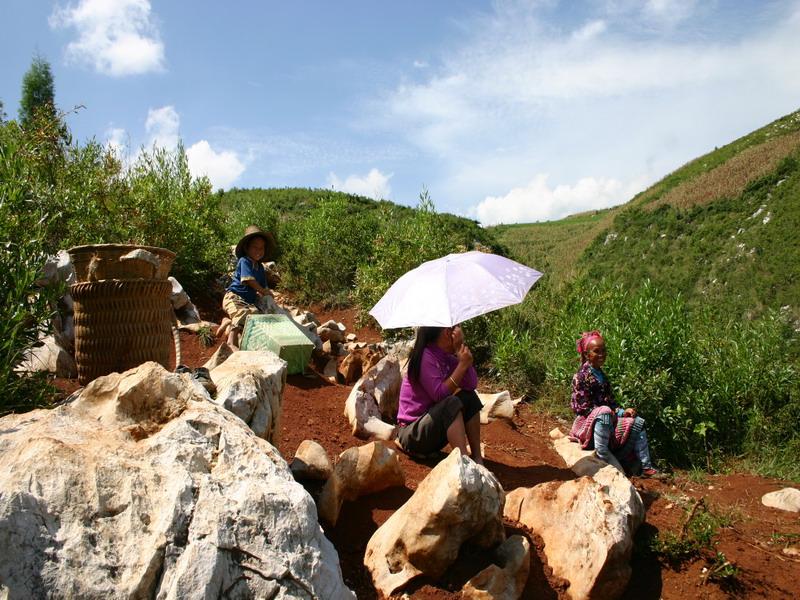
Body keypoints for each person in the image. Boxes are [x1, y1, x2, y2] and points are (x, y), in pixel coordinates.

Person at [569, 330, 661, 477]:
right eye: (596, 351)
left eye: (603, 351)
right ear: (587, 355)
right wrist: (606, 411)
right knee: (604, 412)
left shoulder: (602, 376)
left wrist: (622, 412)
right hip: (588, 423)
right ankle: (603, 455)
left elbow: (611, 402)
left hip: (606, 419)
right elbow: (582, 407)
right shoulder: (581, 376)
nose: (601, 355)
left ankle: (646, 467)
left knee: (637, 422)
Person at [395, 325, 484, 465]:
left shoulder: (445, 356)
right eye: (456, 328)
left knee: (469, 397)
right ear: (448, 333)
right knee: (451, 403)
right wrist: (461, 366)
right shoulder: (426, 356)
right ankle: (465, 465)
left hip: (429, 429)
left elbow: (471, 384)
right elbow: (439, 395)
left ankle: (477, 459)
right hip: (412, 435)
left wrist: (464, 360)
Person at [222, 225, 277, 349]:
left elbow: (264, 287)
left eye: (261, 248)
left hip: (247, 301)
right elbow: (249, 280)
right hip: (235, 296)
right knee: (242, 313)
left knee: (255, 314)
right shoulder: (244, 261)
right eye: (255, 247)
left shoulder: (260, 267)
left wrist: (269, 294)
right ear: (247, 248)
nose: (259, 251)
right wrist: (263, 291)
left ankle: (246, 340)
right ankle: (231, 342)